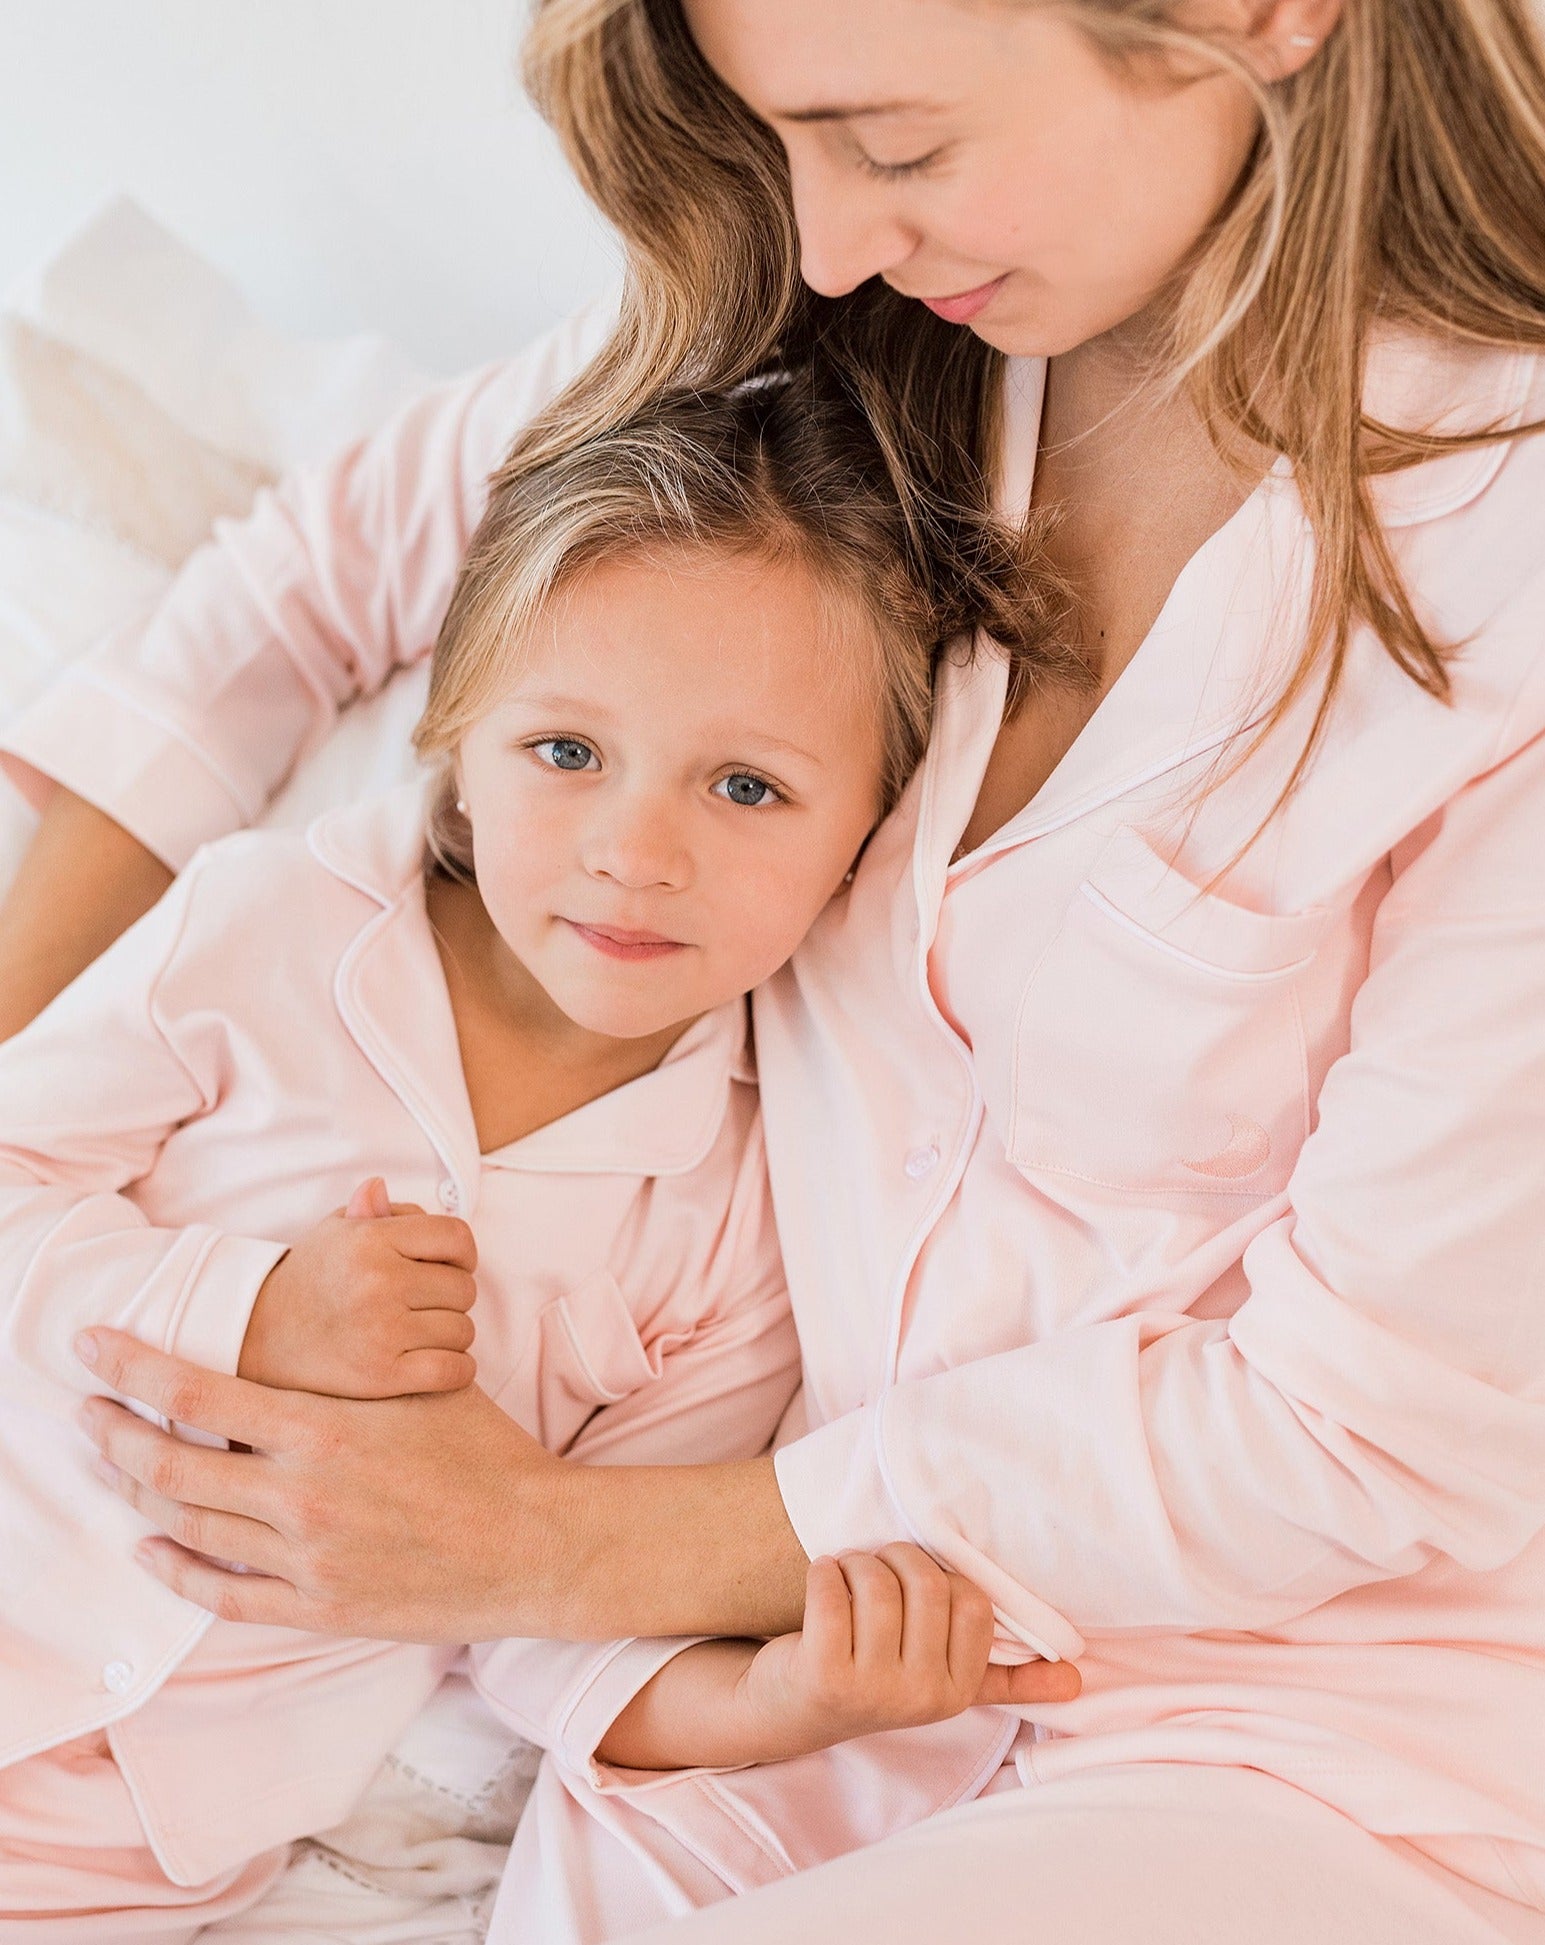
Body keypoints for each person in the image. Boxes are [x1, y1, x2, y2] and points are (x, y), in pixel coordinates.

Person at [1, 0, 1542, 1938]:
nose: (821, 237)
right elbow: (298, 593)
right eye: (781, 139)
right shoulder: (828, 342)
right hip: (777, 1705)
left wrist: (538, 1541)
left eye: (894, 144)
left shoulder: (1508, 581)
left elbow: (1352, 1425)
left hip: (1298, 1738)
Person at [0, 376, 1055, 1937]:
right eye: (565, 749)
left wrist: (773, 1700)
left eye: (747, 786)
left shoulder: (739, 1217)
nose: (636, 850)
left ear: (871, 832)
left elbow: (545, 1601)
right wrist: (248, 1313)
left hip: (132, 1846)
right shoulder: (262, 930)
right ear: (455, 732)